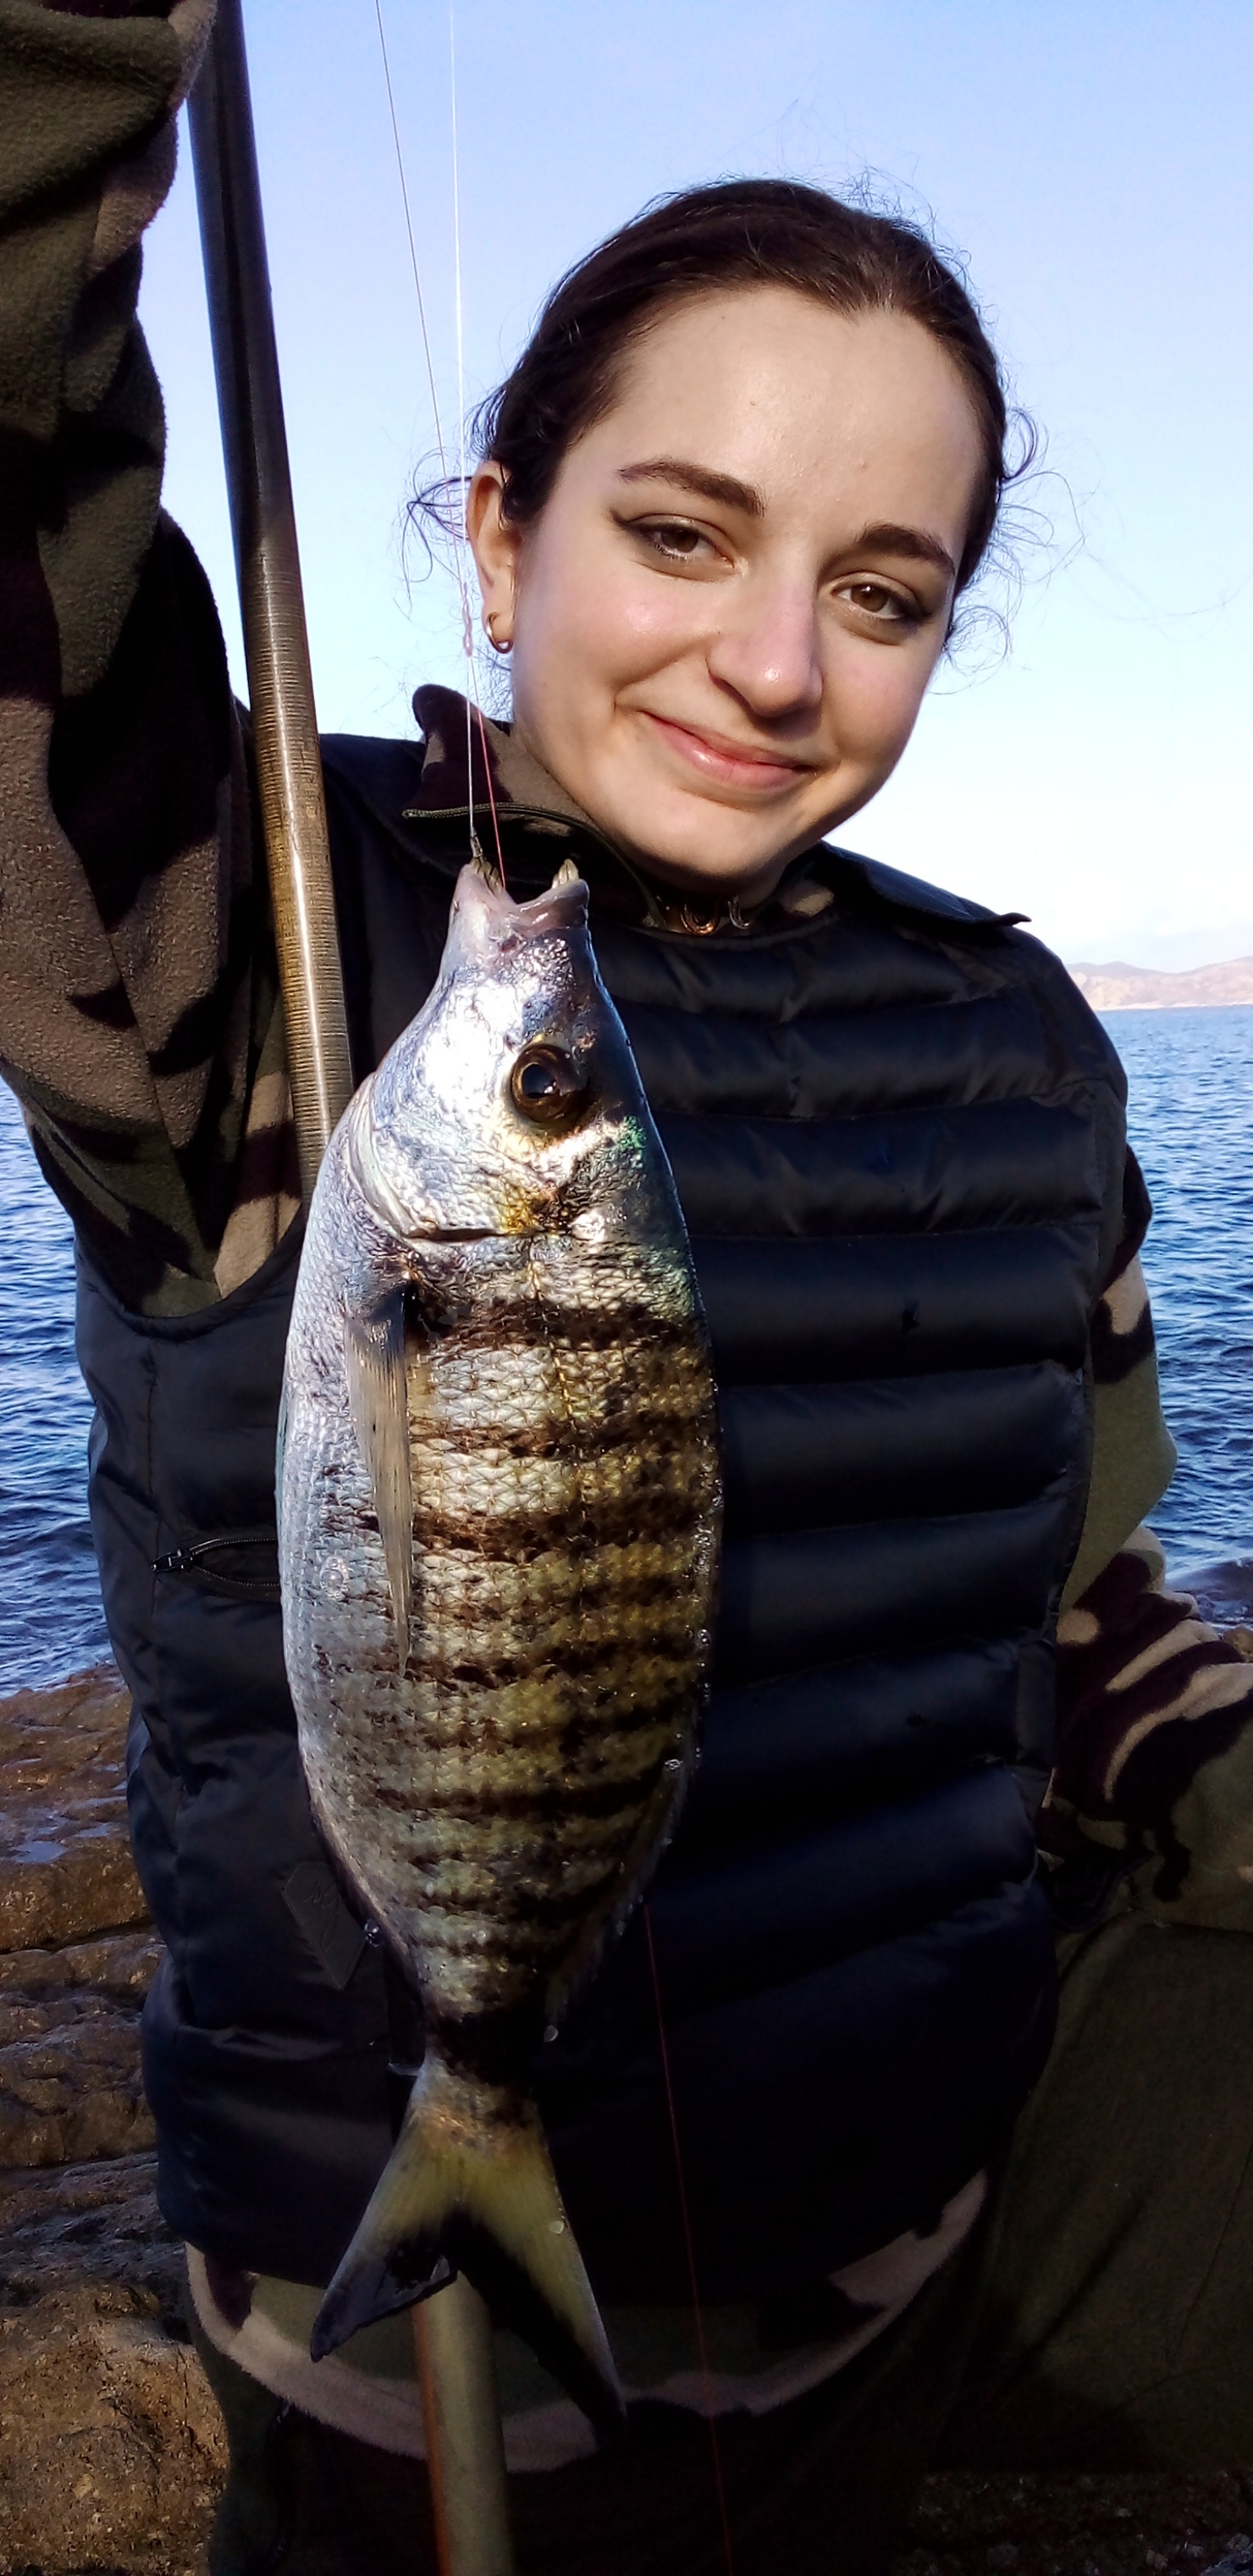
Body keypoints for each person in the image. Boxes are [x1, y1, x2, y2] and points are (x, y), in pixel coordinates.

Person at [4, 6, 1253, 2571]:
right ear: (499, 535)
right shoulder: (244, 944)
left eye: (881, 589)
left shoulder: (1021, 1038)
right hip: (445, 2374)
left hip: (937, 2215)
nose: (778, 661)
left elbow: (1085, 1591)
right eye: (682, 533)